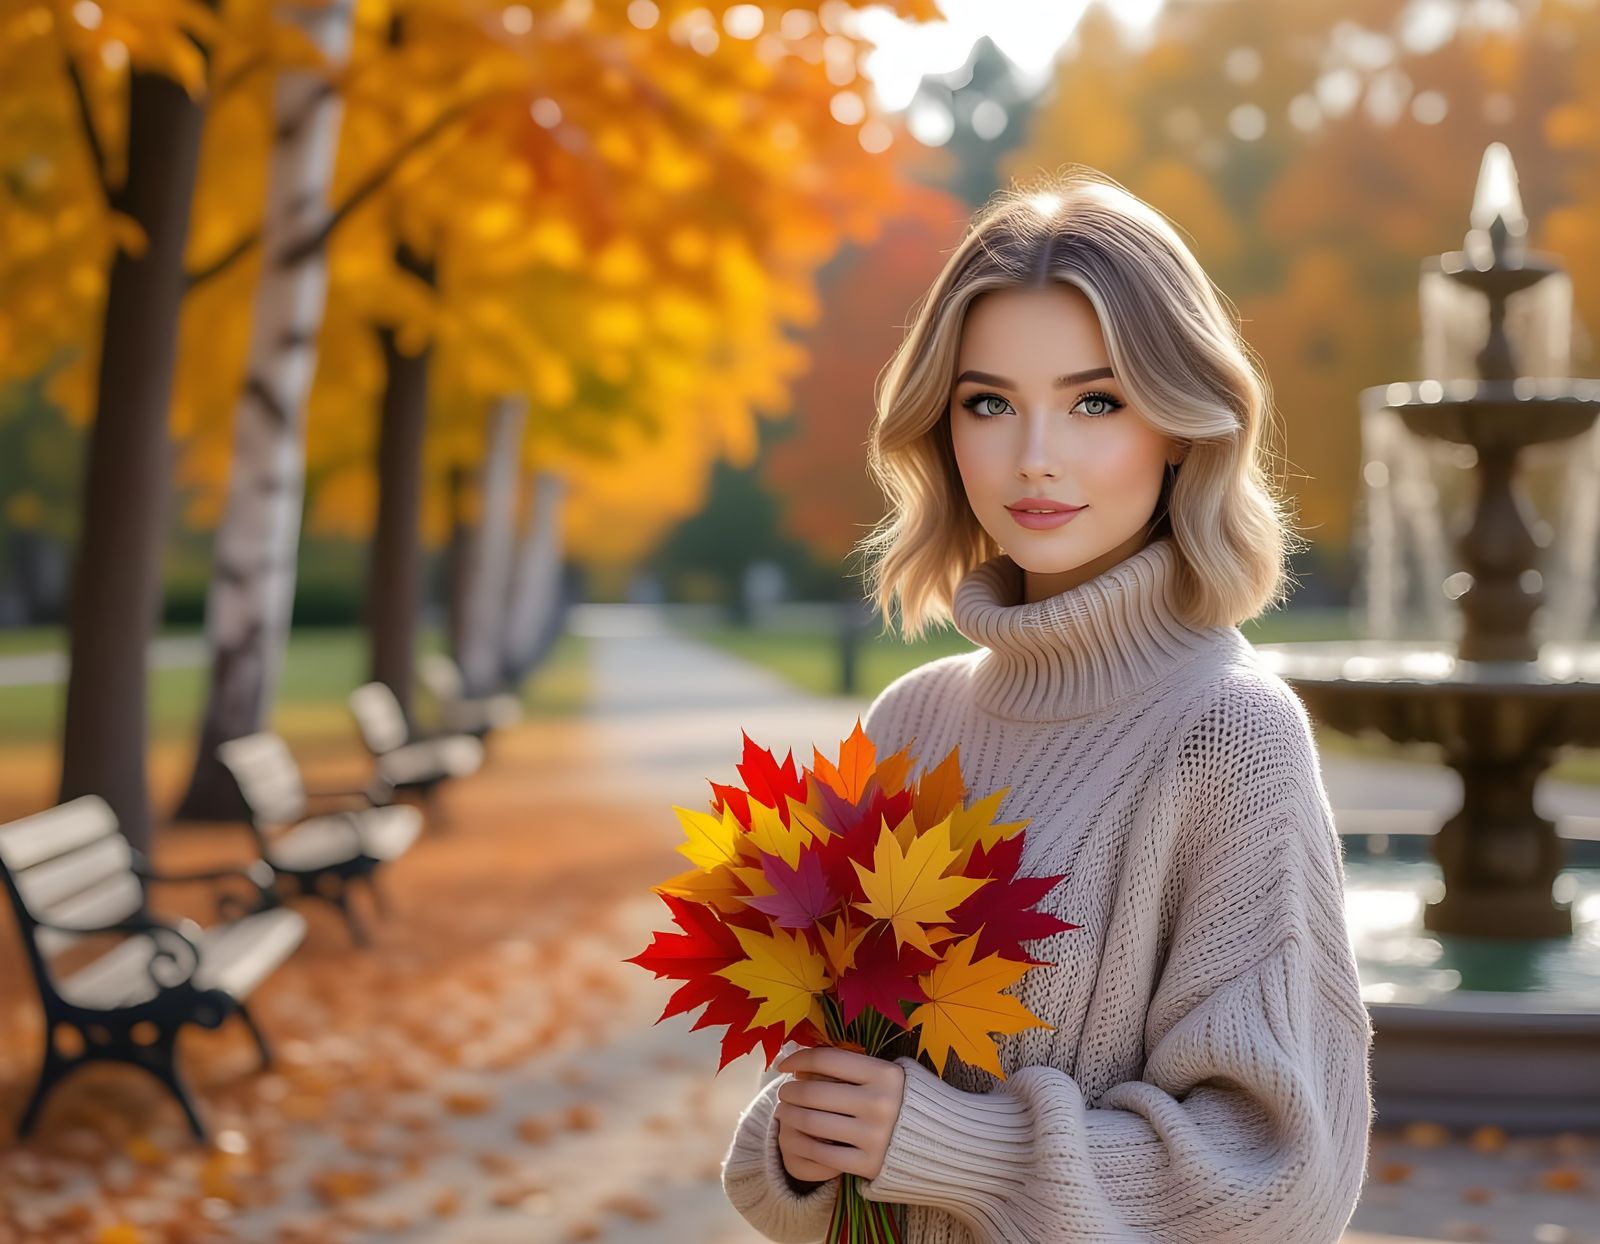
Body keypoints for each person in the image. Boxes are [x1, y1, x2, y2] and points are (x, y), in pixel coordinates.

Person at [718, 168, 1375, 1243]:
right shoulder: (909, 724)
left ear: (1179, 426)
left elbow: (1277, 1174)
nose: (1034, 456)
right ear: (943, 428)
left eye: (1094, 400)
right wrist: (799, 1147)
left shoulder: (1228, 734)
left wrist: (952, 1144)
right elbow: (823, 1113)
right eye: (989, 402)